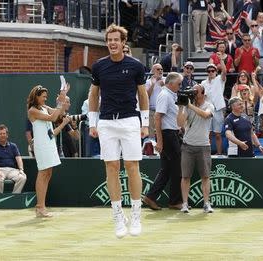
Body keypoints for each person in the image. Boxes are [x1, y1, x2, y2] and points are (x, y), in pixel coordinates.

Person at [88, 24, 149, 238]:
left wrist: (145, 123)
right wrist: (92, 123)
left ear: (123, 43)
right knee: (111, 167)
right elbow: (94, 95)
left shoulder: (135, 66)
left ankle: (135, 216)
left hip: (130, 121)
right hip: (106, 123)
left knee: (132, 166)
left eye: (116, 40)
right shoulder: (98, 66)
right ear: (107, 42)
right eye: (109, 40)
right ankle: (117, 216)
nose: (112, 43)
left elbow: (143, 95)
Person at [27, 85, 70, 218]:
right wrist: (59, 104)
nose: (46, 99)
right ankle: (40, 207)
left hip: (49, 143)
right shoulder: (32, 110)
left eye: (46, 96)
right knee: (43, 172)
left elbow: (59, 114)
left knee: (48, 173)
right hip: (41, 145)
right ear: (37, 96)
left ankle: (41, 206)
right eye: (44, 96)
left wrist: (62, 99)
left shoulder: (44, 107)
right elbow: (52, 118)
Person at [143, 72, 183, 211]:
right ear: (170, 83)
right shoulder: (165, 96)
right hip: (167, 135)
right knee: (177, 167)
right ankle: (175, 201)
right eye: (178, 83)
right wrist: (159, 141)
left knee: (167, 169)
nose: (180, 86)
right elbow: (157, 118)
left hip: (170, 133)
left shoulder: (169, 95)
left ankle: (151, 196)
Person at [177, 84, 214, 213]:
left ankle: (206, 203)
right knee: (185, 176)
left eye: (195, 91)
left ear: (202, 93)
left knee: (205, 176)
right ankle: (185, 204)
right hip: (188, 145)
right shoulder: (187, 106)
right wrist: (181, 107)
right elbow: (180, 124)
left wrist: (189, 105)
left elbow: (205, 115)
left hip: (204, 145)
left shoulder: (209, 105)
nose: (192, 93)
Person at [0, 124, 27, 194]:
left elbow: (18, 159)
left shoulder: (13, 146)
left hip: (12, 170)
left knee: (22, 177)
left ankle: (14, 197)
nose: (2, 135)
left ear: (7, 135)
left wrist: (21, 169)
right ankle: (0, 198)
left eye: (4, 133)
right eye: (0, 134)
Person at [202, 63, 227, 155]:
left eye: (213, 71)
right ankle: (206, 153)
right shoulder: (203, 83)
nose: (211, 72)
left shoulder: (220, 79)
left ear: (216, 72)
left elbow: (224, 71)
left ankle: (219, 153)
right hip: (207, 110)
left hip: (218, 109)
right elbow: (203, 97)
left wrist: (221, 60)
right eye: (209, 71)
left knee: (217, 134)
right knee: (207, 134)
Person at [146, 63, 165, 138]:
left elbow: (172, 94)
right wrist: (153, 84)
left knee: (163, 133)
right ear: (153, 71)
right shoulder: (148, 82)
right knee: (151, 135)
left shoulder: (166, 80)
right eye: (158, 69)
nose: (160, 71)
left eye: (161, 69)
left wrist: (163, 86)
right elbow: (147, 96)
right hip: (152, 111)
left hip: (163, 111)